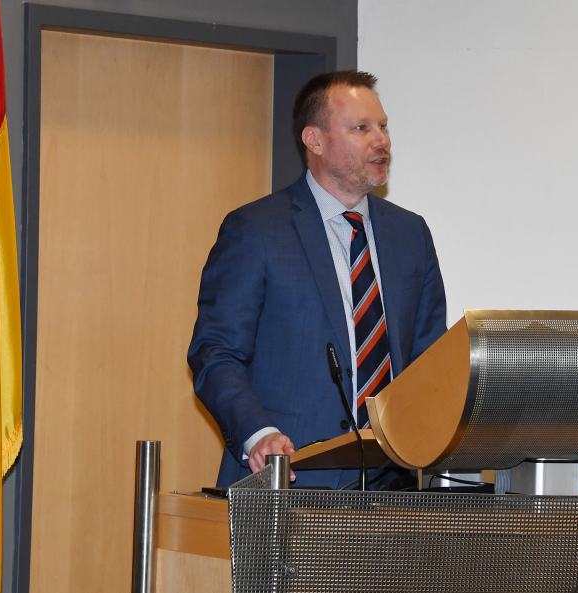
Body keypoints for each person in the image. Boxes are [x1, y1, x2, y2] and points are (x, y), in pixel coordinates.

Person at [187, 70, 447, 489]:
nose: (381, 140)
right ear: (315, 140)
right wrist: (259, 433)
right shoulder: (256, 229)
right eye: (361, 128)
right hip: (289, 478)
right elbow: (216, 353)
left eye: (382, 126)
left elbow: (429, 360)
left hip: (395, 487)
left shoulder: (410, 234)